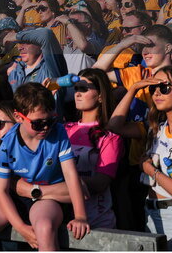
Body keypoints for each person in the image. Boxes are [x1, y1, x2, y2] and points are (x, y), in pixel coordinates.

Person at [0, 83, 91, 251]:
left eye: (50, 120)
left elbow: (71, 175)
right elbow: (1, 191)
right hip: (16, 196)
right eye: (38, 123)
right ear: (19, 117)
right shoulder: (8, 143)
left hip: (48, 196)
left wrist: (80, 216)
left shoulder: (58, 132)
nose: (46, 127)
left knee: (44, 227)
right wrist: (21, 228)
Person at [108, 66, 172, 251]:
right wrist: (133, 89)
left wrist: (151, 171)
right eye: (153, 88)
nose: (157, 93)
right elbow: (114, 125)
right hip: (149, 213)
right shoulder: (156, 127)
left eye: (164, 87)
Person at [64, 68, 121, 230]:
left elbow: (100, 183)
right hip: (64, 218)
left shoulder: (110, 136)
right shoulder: (64, 128)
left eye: (84, 88)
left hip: (96, 222)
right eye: (76, 88)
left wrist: (61, 183)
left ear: (101, 96)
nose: (77, 93)